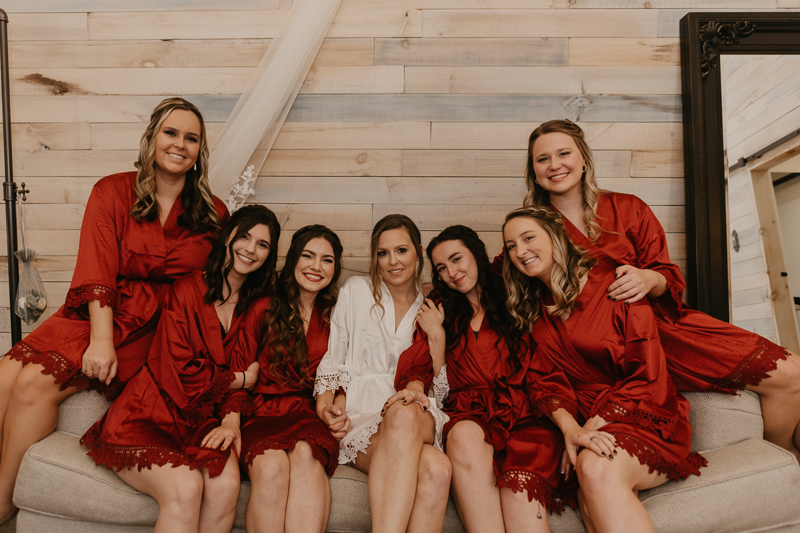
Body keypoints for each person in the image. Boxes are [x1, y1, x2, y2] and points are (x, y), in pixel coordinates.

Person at [0, 97, 229, 523]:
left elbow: (221, 287)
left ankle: (2, 505)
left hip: (158, 328)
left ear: (200, 150)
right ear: (151, 139)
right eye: (171, 133)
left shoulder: (214, 213)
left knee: (32, 384)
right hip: (99, 311)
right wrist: (100, 339)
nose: (180, 144)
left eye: (191, 138)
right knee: (4, 376)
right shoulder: (112, 190)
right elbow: (98, 265)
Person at [520, 118, 800, 461]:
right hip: (597, 352)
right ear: (534, 171)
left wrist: (648, 279)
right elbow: (499, 280)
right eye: (542, 159)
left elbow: (666, 273)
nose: (555, 165)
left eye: (563, 153)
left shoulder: (628, 207)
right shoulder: (527, 231)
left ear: (583, 158)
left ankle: (781, 465)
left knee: (791, 374)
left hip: (661, 330)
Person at [503, 206, 707, 533]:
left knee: (595, 467)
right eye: (511, 246)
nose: (520, 251)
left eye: (528, 238)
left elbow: (648, 371)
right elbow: (545, 383)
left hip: (641, 412)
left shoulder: (614, 285)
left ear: (556, 238)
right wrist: (572, 431)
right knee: (589, 475)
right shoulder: (533, 311)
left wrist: (594, 425)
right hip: (585, 423)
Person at [81, 205, 280, 533]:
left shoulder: (259, 304)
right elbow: (179, 370)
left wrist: (232, 422)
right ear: (228, 237)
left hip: (205, 420)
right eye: (244, 236)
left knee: (227, 485)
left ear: (269, 255)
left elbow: (248, 376)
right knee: (186, 487)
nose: (251, 249)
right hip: (152, 413)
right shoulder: (187, 288)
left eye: (263, 244)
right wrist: (240, 378)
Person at [395, 225, 566, 533]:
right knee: (462, 436)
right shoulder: (439, 308)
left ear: (477, 253)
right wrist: (433, 346)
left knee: (523, 511)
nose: (452, 272)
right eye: (442, 268)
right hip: (469, 412)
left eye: (457, 259)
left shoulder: (516, 294)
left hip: (523, 415)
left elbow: (545, 360)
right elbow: (418, 363)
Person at [314, 214, 451, 533]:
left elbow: (441, 389)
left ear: (418, 251)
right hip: (362, 417)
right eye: (383, 253)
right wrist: (327, 409)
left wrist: (437, 337)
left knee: (403, 413)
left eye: (401, 251)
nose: (392, 261)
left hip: (416, 411)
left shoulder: (432, 304)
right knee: (436, 467)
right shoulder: (356, 290)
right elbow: (334, 362)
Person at [240, 225, 343, 533]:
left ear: (335, 269)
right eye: (307, 256)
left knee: (307, 458)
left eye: (327, 260)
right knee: (271, 468)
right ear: (293, 260)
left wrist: (336, 404)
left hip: (307, 411)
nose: (316, 266)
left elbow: (346, 372)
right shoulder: (263, 307)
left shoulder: (336, 316)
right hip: (260, 411)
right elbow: (239, 369)